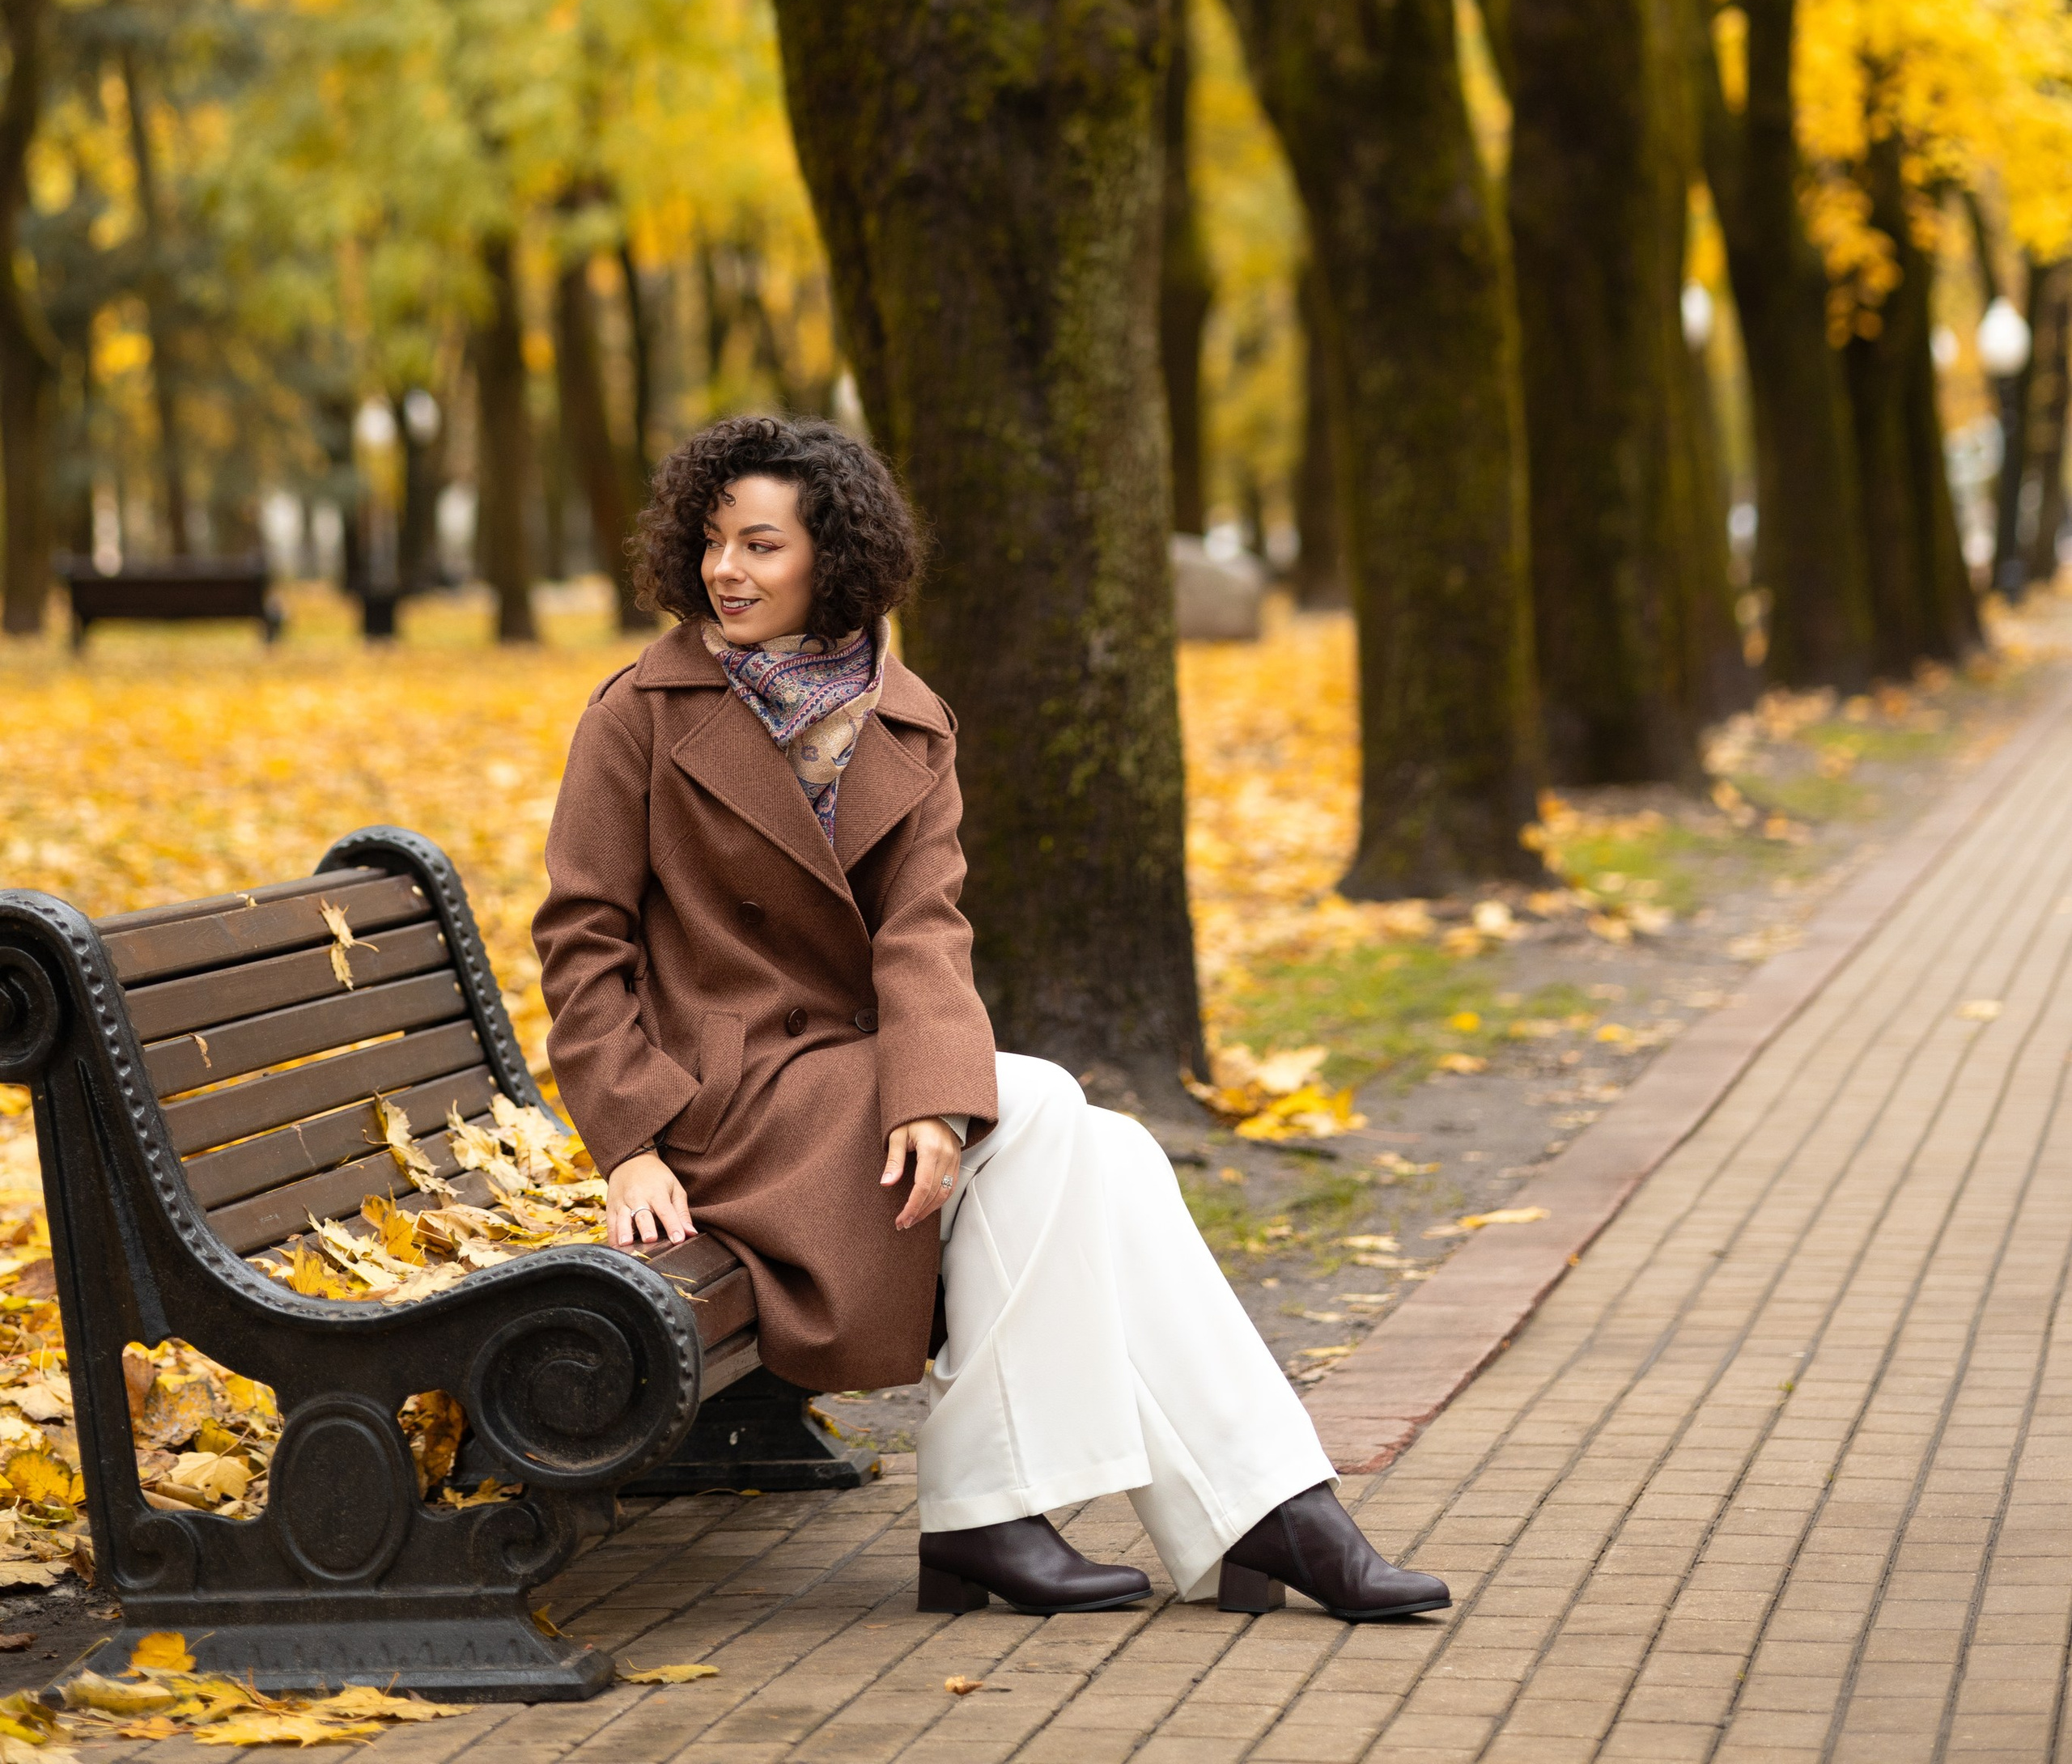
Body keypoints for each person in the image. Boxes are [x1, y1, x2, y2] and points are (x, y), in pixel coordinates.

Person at [533, 412, 1448, 1624]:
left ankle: (1267, 1508)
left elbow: (925, 929)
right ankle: (1047, 1517)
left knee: (1104, 1154)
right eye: (711, 543)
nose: (726, 572)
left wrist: (927, 1093)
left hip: (847, 1086)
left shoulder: (906, 719)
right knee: (1057, 1110)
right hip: (724, 1102)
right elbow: (580, 941)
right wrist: (631, 1140)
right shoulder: (639, 714)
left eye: (761, 546)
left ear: (833, 561)